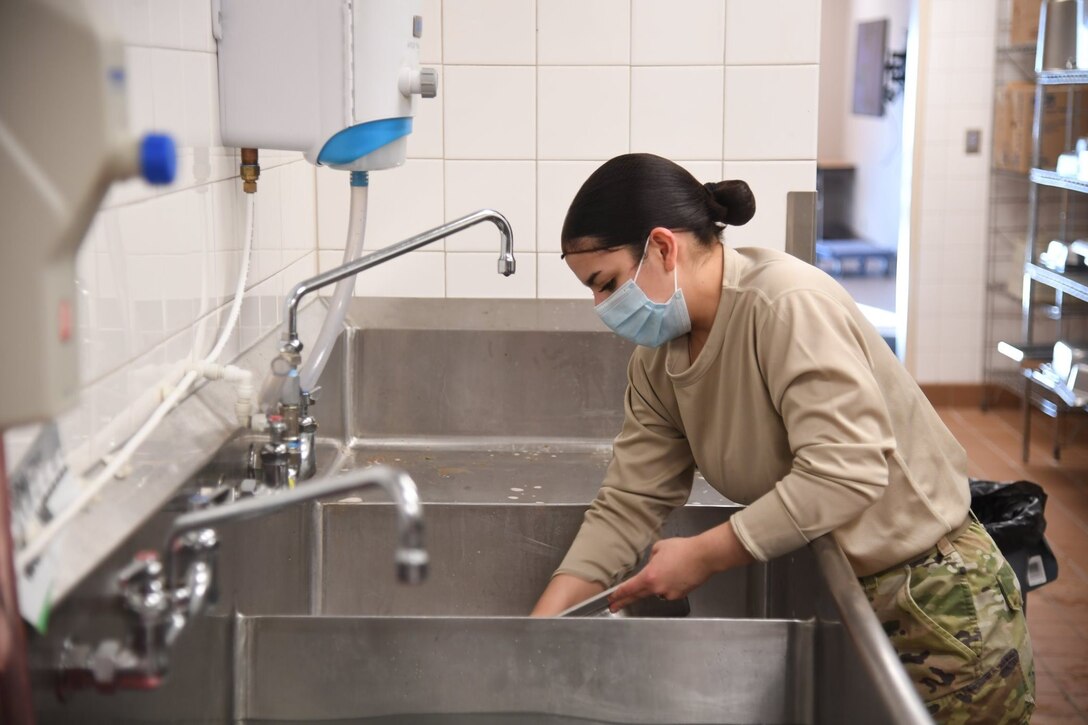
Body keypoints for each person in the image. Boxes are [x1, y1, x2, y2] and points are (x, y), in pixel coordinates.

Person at [530, 153, 1035, 723]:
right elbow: (630, 501)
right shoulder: (659, 361)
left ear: (663, 247)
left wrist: (704, 554)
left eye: (608, 284)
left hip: (933, 601)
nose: (603, 308)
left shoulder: (785, 307)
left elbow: (847, 470)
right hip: (847, 592)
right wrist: (541, 627)